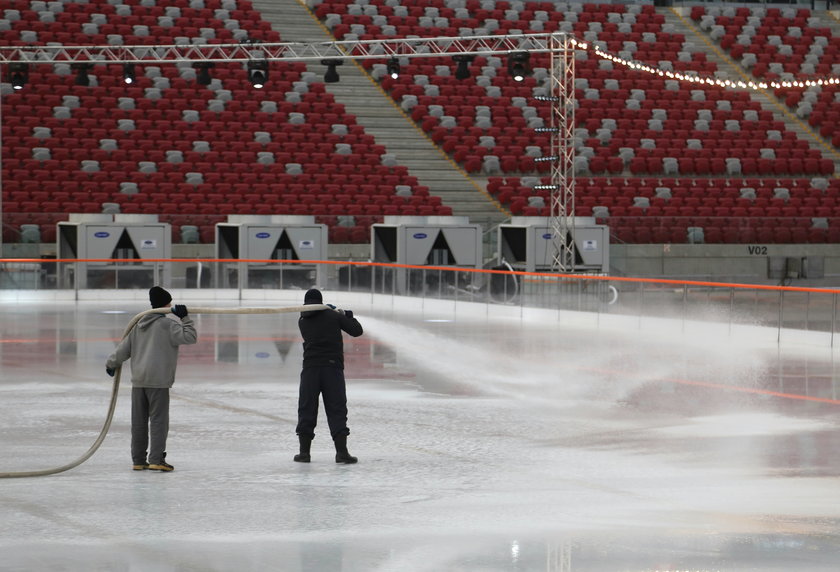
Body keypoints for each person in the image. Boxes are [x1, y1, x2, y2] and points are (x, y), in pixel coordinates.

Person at [106, 286, 197, 472]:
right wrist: (185, 318)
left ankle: (138, 460)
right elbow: (190, 337)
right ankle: (156, 459)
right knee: (158, 421)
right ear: (166, 304)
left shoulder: (137, 326)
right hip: (158, 382)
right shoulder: (168, 325)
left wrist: (111, 363)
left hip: (139, 381)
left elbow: (123, 349)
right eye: (169, 302)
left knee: (138, 422)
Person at [295, 288, 363, 464]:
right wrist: (346, 316)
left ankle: (304, 453)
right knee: (336, 408)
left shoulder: (302, 320)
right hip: (332, 369)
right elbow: (357, 330)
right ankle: (342, 453)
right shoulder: (333, 316)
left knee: (307, 407)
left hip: (310, 369)